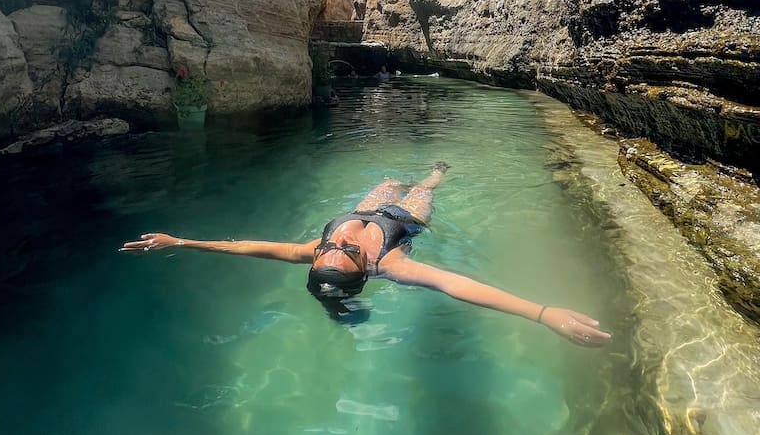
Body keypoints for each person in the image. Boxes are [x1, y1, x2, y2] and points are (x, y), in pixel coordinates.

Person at [119, 164, 611, 347]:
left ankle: (399, 179)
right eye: (343, 251)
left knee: (386, 180)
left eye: (330, 249)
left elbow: (247, 247)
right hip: (404, 220)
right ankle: (438, 172)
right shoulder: (390, 265)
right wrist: (543, 313)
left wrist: (179, 241)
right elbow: (456, 285)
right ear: (363, 272)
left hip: (370, 206)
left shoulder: (316, 251)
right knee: (422, 185)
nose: (338, 243)